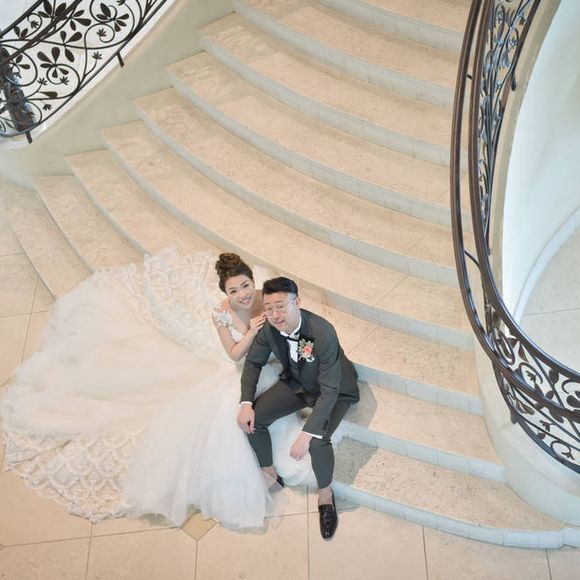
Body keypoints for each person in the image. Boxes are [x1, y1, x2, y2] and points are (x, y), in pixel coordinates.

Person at [0, 249, 312, 529]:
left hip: (276, 364)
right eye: (234, 290)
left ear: (252, 282)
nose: (243, 295)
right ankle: (257, 469)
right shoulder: (221, 313)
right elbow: (233, 354)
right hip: (247, 370)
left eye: (245, 286)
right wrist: (252, 333)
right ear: (224, 292)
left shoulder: (265, 299)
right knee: (229, 423)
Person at [237, 277, 359, 539]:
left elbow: (329, 389)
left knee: (317, 442)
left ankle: (325, 496)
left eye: (280, 306)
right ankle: (270, 475)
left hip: (335, 390)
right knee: (254, 418)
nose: (275, 314)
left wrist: (307, 433)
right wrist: (245, 402)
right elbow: (253, 363)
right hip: (298, 383)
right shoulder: (269, 329)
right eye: (269, 308)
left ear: (297, 302)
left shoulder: (322, 332)